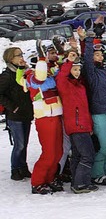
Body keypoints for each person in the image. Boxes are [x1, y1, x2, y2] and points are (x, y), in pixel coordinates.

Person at [18, 40, 65, 194]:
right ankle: (37, 181)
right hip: (44, 117)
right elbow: (40, 79)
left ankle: (50, 178)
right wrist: (42, 59)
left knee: (57, 152)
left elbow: (62, 70)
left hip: (56, 115)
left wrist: (60, 51)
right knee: (49, 153)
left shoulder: (50, 73)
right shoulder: (30, 76)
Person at [54, 50, 98, 193]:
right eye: (75, 69)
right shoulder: (65, 85)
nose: (77, 72)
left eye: (79, 69)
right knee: (88, 155)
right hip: (76, 126)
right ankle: (80, 183)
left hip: (83, 125)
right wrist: (68, 62)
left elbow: (85, 108)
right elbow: (60, 77)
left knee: (78, 155)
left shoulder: (80, 86)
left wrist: (90, 126)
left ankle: (77, 182)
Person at [82, 25, 106, 186]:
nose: (100, 57)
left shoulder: (105, 69)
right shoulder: (90, 71)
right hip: (99, 111)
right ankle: (96, 173)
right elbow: (87, 54)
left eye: (100, 54)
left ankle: (104, 170)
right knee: (102, 146)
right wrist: (89, 37)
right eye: (96, 55)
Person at [0, 47, 34, 181]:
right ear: (10, 58)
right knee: (19, 144)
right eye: (18, 55)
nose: (21, 57)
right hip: (15, 115)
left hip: (26, 112)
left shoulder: (24, 72)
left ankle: (23, 167)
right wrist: (12, 107)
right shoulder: (6, 76)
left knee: (24, 143)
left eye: (21, 54)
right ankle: (15, 168)